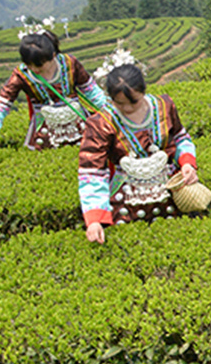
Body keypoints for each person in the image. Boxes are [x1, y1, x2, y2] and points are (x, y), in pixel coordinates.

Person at [78, 64, 198, 244]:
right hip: (126, 201)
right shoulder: (101, 124)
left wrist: (187, 163)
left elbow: (180, 137)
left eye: (133, 101)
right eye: (120, 103)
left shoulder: (164, 107)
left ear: (143, 90)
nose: (127, 109)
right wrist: (94, 219)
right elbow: (92, 172)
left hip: (169, 193)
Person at [0, 29, 110, 169]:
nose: (34, 69)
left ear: (53, 56)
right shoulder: (22, 75)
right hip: (44, 136)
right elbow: (0, 107)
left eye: (39, 65)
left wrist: (112, 116)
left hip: (80, 128)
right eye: (29, 65)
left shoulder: (70, 64)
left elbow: (92, 92)